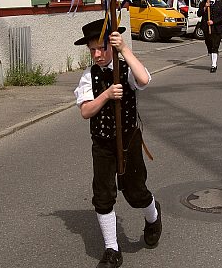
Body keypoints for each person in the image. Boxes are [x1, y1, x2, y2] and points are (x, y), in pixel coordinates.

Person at [73, 19, 162, 268]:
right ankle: (112, 249)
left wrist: (124, 49)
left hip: (129, 140)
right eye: (92, 50)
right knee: (102, 195)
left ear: (111, 45)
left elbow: (143, 80)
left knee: (135, 192)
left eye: (102, 48)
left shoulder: (124, 68)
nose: (97, 54)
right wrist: (106, 94)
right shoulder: (88, 76)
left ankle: (153, 216)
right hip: (102, 143)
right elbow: (85, 111)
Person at [199, 0, 222, 72]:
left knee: (215, 46)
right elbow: (199, 13)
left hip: (217, 28)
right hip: (207, 28)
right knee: (209, 45)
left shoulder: (220, 4)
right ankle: (211, 54)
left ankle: (214, 65)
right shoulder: (204, 2)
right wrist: (205, 8)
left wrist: (213, 22)